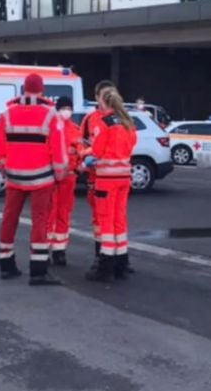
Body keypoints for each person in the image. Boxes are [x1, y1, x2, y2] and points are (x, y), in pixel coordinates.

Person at [0, 74, 67, 286]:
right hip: (41, 178)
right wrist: (60, 173)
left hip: (15, 177)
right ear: (42, 90)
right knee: (40, 220)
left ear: (23, 89)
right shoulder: (51, 115)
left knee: (9, 218)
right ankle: (38, 270)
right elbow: (59, 150)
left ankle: (6, 264)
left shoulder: (7, 114)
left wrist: (3, 168)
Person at [84, 88, 138, 282]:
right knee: (119, 220)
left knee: (106, 221)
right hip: (124, 177)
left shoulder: (104, 123)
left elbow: (97, 150)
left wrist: (86, 157)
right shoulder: (127, 123)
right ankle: (121, 263)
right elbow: (131, 146)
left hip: (106, 179)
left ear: (103, 102)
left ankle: (105, 267)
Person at [81, 80, 116, 266]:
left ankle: (117, 258)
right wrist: (86, 157)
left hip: (113, 177)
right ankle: (100, 254)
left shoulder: (120, 119)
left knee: (116, 217)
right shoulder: (90, 119)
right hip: (96, 175)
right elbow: (83, 144)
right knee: (99, 217)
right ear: (96, 97)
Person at [49, 96, 83, 266]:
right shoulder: (52, 126)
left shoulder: (75, 129)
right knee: (50, 214)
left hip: (69, 177)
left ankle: (59, 250)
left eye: (69, 108)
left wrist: (80, 165)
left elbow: (80, 151)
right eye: (64, 108)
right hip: (52, 178)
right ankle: (44, 249)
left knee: (64, 213)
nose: (67, 111)